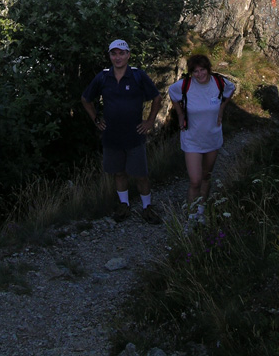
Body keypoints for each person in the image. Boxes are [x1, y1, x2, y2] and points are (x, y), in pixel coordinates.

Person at [81, 39, 162, 224]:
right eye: (114, 53)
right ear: (109, 55)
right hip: (112, 136)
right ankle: (124, 205)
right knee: (118, 173)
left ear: (128, 55)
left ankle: (147, 207)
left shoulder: (137, 75)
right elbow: (86, 99)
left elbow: (157, 98)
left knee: (141, 175)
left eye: (121, 53)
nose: (117, 57)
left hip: (134, 135)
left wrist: (150, 121)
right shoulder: (103, 77)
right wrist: (96, 119)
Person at [168, 54, 235, 223]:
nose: (199, 74)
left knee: (206, 177)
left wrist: (221, 109)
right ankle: (191, 218)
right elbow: (172, 93)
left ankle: (201, 211)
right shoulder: (185, 85)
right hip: (192, 139)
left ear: (208, 69)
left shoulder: (219, 83)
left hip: (212, 138)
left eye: (202, 70)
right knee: (195, 180)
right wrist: (180, 114)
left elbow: (231, 90)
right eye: (195, 71)